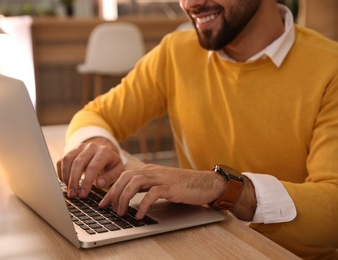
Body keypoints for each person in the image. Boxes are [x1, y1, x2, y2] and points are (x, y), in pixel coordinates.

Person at [57, 0, 338, 259]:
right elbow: (97, 113)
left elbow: (333, 212)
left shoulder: (330, 70)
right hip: (202, 246)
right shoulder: (176, 52)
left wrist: (223, 188)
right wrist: (98, 144)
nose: (189, 4)